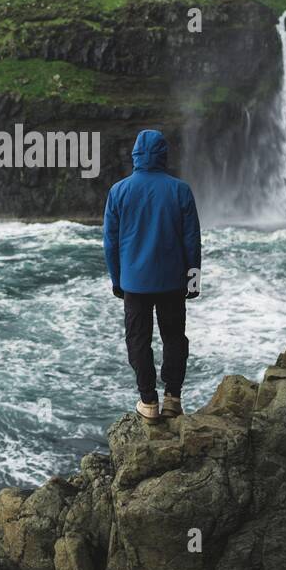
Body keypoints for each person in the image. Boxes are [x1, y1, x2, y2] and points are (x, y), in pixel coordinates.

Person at [103, 129, 202, 421]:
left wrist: (117, 280)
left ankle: (148, 401)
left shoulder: (118, 191)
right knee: (174, 338)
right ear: (163, 155)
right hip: (173, 283)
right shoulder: (180, 190)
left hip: (134, 283)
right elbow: (192, 240)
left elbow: (111, 242)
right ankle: (173, 397)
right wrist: (193, 281)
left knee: (138, 340)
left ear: (135, 154)